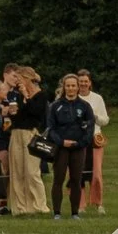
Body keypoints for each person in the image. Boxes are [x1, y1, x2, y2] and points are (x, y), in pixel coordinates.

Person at [45, 73, 97, 219]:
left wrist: (80, 143)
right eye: (68, 86)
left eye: (73, 85)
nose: (71, 88)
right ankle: (57, 212)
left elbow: (90, 127)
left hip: (78, 148)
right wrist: (61, 142)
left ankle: (75, 212)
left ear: (78, 87)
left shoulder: (85, 106)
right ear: (64, 87)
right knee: (58, 179)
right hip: (61, 148)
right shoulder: (55, 106)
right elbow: (50, 128)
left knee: (76, 180)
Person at [3, 65, 50, 216]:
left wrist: (26, 97)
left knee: (32, 171)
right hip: (16, 133)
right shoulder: (17, 95)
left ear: (28, 79)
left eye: (20, 78)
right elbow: (18, 116)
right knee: (17, 171)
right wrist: (12, 113)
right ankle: (20, 207)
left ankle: (38, 205)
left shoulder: (40, 95)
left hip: (31, 134)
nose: (17, 81)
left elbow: (36, 113)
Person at [78, 70, 111, 213]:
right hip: (78, 139)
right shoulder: (73, 98)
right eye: (81, 81)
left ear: (90, 83)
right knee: (78, 172)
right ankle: (80, 205)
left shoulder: (97, 98)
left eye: (86, 81)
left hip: (95, 139)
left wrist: (94, 116)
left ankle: (98, 203)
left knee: (96, 173)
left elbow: (105, 120)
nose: (83, 84)